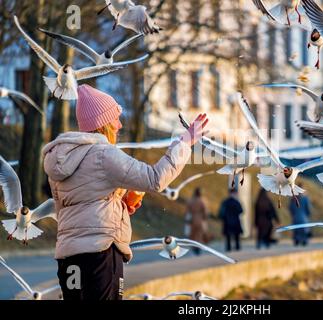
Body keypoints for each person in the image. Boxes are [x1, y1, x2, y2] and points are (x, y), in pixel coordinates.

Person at [42, 84, 208, 300]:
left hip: (68, 257)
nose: (119, 124)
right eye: (115, 118)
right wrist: (185, 142)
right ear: (104, 124)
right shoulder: (105, 154)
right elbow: (154, 179)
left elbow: (74, 206)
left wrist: (119, 201)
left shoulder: (59, 160)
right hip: (100, 253)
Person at [186, 187, 209, 255]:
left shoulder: (190, 200)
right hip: (199, 219)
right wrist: (205, 217)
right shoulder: (202, 201)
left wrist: (187, 219)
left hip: (192, 219)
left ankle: (194, 247)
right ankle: (198, 248)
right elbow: (205, 211)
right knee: (199, 235)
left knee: (193, 234)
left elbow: (187, 211)